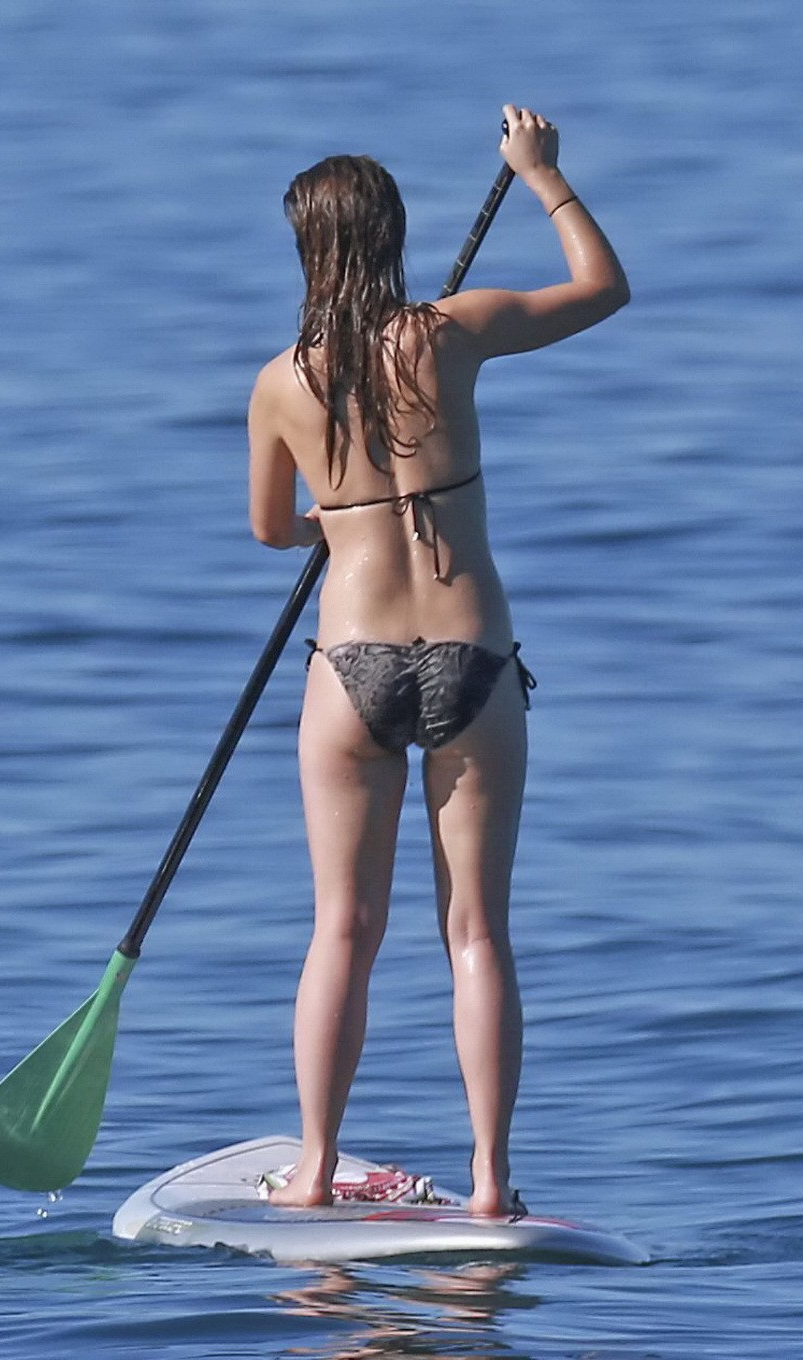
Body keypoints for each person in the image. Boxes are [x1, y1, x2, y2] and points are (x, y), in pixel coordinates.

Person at [246, 105, 628, 1216]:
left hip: (350, 666)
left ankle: (314, 1169)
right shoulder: (448, 332)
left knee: (342, 929)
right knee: (475, 930)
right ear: (392, 237)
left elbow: (272, 529)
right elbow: (601, 289)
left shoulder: (281, 382)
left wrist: (343, 516)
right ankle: (490, 1183)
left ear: (307, 251)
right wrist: (542, 176)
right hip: (469, 660)